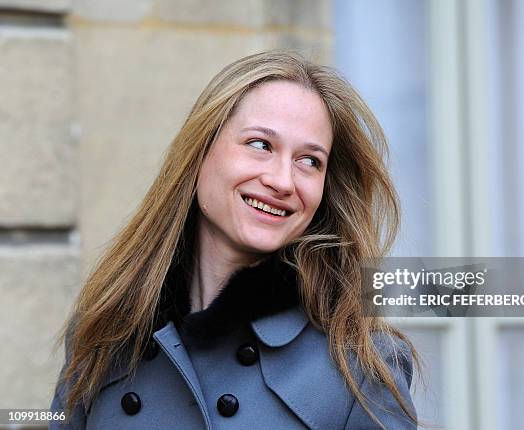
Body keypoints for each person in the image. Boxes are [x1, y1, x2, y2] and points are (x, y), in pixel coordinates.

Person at [50, 50, 420, 429]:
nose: (282, 180)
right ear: (200, 153)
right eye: (260, 145)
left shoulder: (362, 364)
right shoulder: (105, 330)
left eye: (310, 161)